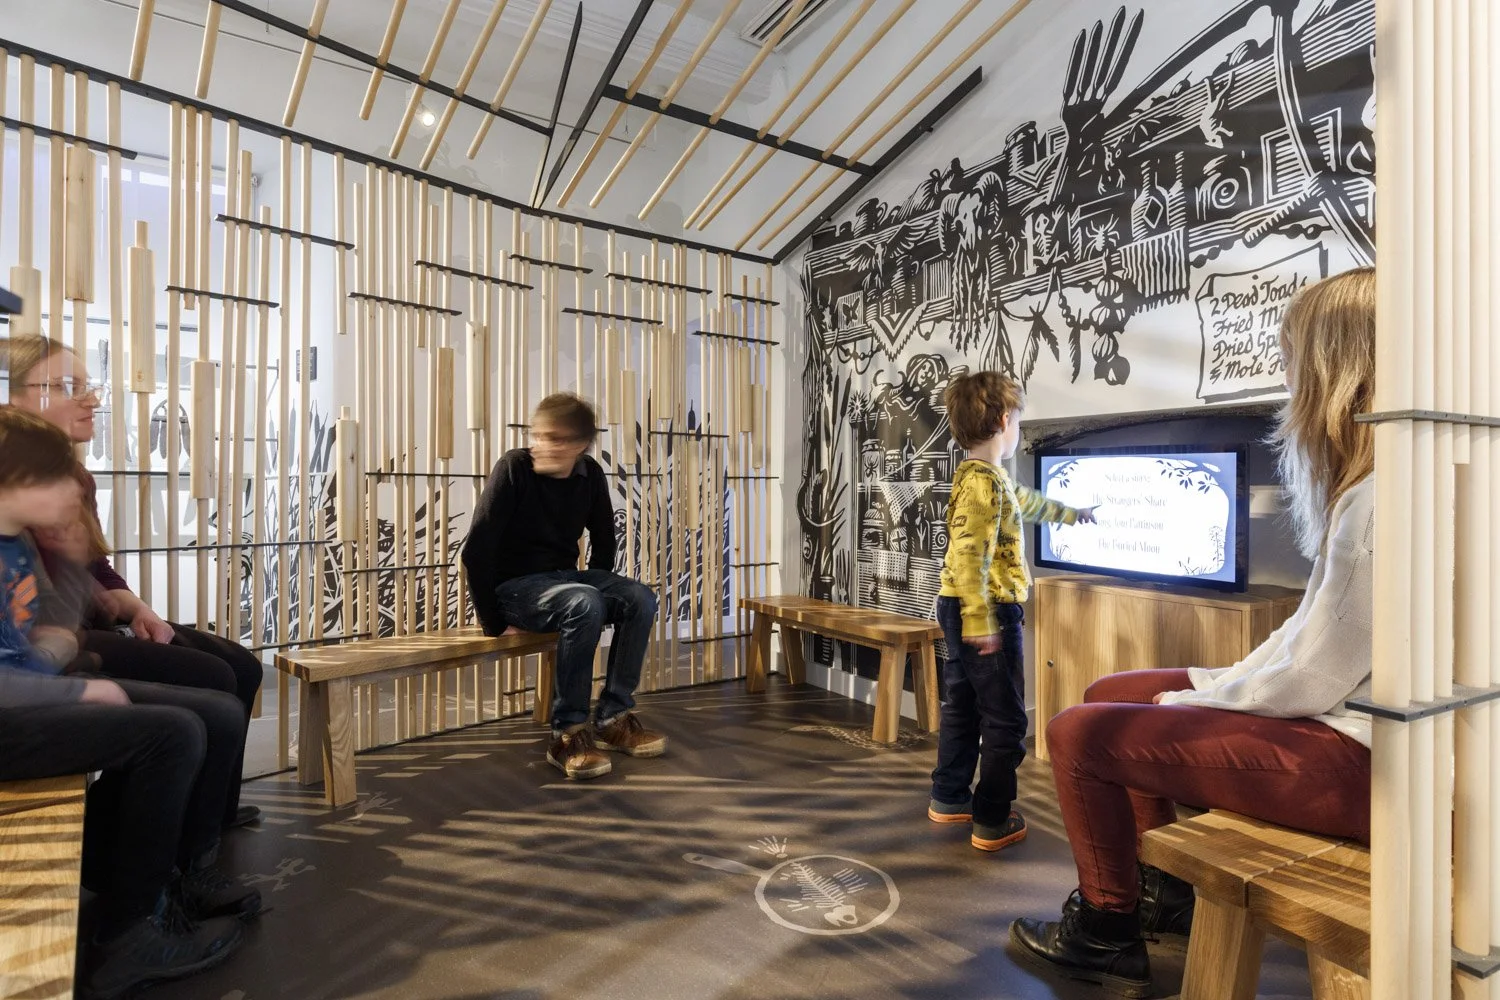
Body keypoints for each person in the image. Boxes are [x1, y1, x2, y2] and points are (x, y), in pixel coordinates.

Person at [1009, 267, 1377, 997]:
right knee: (1117, 689)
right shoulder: (1370, 490)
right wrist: (1210, 686)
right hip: (1344, 721)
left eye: (1293, 357)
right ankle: (1158, 891)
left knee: (1079, 735)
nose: (1285, 377)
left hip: (1360, 756)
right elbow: (1309, 639)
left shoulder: (1374, 503)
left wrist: (1199, 700)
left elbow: (1311, 674)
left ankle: (1107, 932)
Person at [0, 406, 258, 1000]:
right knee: (172, 735)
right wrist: (76, 685)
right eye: (58, 478)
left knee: (212, 712)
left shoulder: (18, 545)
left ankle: (154, 877)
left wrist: (61, 636)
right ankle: (126, 938)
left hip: (28, 693)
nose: (76, 491)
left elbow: (40, 638)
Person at [0, 335, 264, 829]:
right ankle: (161, 837)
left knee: (241, 666)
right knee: (210, 688)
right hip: (58, 639)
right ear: (16, 397)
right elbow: (53, 591)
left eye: (88, 385)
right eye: (66, 386)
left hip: (78, 626)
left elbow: (96, 568)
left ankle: (208, 816)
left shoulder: (76, 477)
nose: (92, 399)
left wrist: (137, 606)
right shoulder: (16, 477)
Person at [928, 372, 1096, 851]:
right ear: (1005, 420)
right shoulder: (983, 486)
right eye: (1018, 419)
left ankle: (949, 796)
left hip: (958, 609)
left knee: (961, 706)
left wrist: (1072, 513)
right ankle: (992, 819)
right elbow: (967, 557)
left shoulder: (982, 478)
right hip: (987, 612)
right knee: (1006, 721)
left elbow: (1026, 502)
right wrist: (981, 622)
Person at [462, 393, 663, 780]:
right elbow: (476, 551)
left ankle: (613, 719)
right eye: (537, 435)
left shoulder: (590, 474)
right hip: (516, 589)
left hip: (565, 582)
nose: (541, 446)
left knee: (639, 597)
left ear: (579, 445)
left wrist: (603, 591)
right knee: (584, 601)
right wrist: (493, 622)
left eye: (553, 438)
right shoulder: (514, 468)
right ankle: (568, 734)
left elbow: (604, 539)